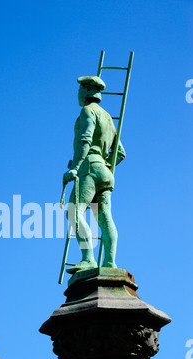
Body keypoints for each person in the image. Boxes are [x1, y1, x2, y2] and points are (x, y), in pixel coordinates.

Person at [63, 76, 125, 274]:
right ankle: (109, 263)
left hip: (89, 168)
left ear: (88, 91)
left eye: (80, 90)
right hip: (105, 173)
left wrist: (76, 166)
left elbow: (85, 140)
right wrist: (104, 164)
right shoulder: (108, 118)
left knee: (73, 211)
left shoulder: (87, 111)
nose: (78, 94)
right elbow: (120, 153)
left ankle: (88, 258)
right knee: (105, 217)